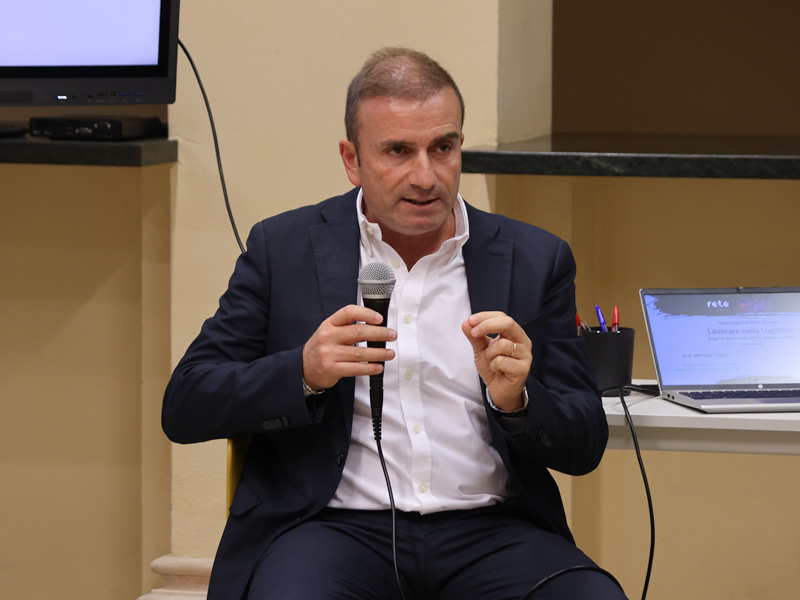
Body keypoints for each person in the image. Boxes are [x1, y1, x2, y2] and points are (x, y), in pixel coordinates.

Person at [162, 47, 626, 600]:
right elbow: (186, 403)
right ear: (352, 159)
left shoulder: (535, 258)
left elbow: (583, 444)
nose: (425, 176)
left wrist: (518, 404)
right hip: (330, 529)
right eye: (398, 151)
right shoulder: (281, 249)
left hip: (493, 530)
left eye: (443, 148)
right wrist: (303, 372)